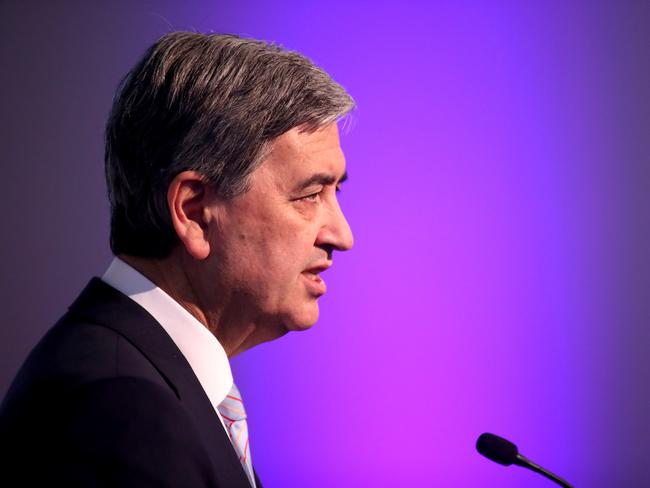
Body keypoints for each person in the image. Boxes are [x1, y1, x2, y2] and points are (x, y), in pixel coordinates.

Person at [0, 32, 354, 487]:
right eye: (309, 194)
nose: (342, 236)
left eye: (335, 192)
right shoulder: (120, 410)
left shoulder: (145, 381)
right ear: (194, 212)